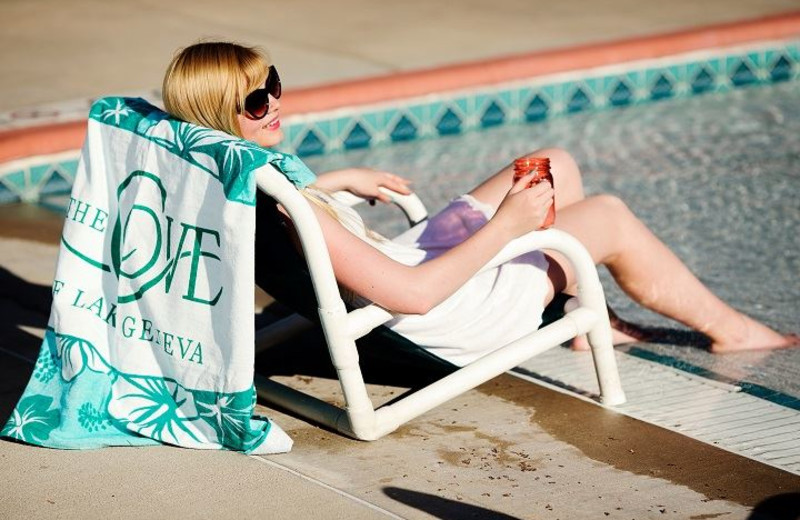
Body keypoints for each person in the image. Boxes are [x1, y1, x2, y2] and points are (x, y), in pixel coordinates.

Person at [161, 41, 796, 367]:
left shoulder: (237, 177)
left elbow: (290, 212)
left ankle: (578, 309)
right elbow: (412, 298)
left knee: (552, 164)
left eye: (272, 85)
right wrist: (510, 227)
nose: (275, 104)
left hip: (397, 262)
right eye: (254, 103)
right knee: (606, 216)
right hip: (437, 315)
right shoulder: (286, 210)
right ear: (222, 116)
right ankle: (731, 332)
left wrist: (328, 182)